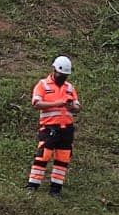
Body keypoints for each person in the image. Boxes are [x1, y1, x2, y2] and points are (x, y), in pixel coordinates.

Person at [26, 56, 81, 196]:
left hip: (66, 129)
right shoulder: (42, 85)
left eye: (65, 76)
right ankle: (32, 185)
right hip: (49, 127)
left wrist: (71, 106)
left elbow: (77, 106)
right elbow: (36, 104)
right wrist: (58, 103)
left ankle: (56, 189)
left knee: (63, 158)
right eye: (61, 75)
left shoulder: (70, 87)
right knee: (43, 156)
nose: (63, 77)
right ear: (54, 70)